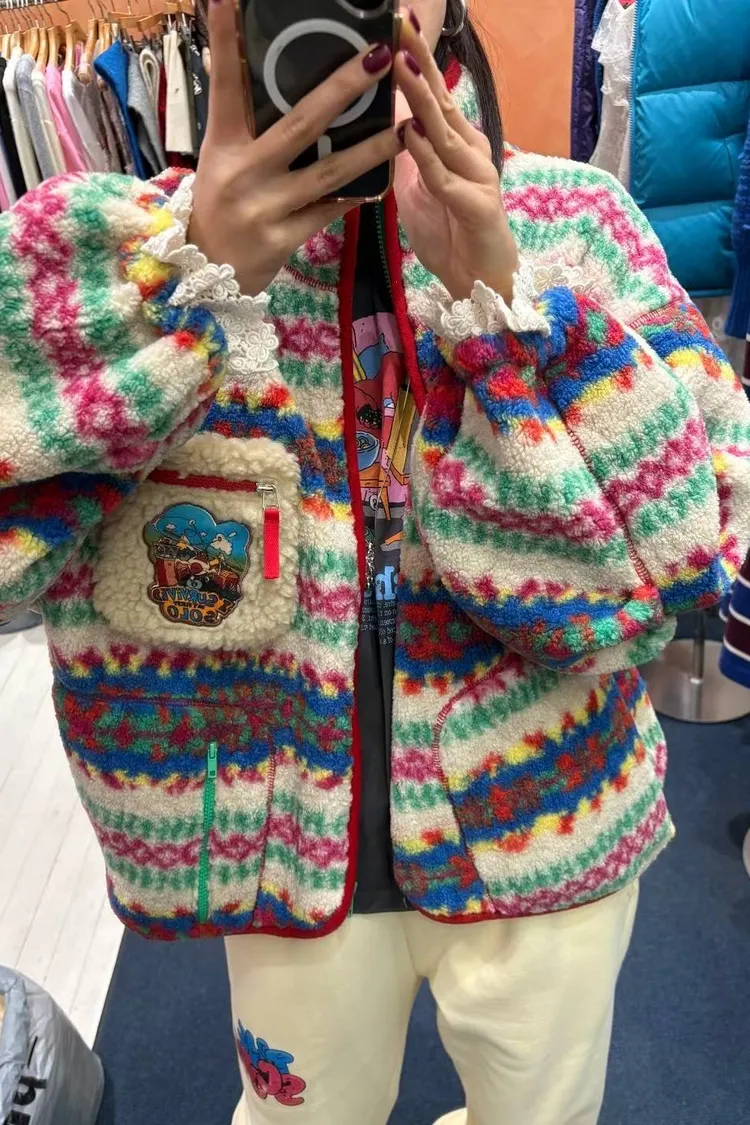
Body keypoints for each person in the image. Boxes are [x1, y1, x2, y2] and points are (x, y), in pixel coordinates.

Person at [0, 1, 749, 1122]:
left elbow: (695, 553)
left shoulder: (580, 222)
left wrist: (510, 316)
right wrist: (179, 289)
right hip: (275, 856)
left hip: (548, 830)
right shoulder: (109, 253)